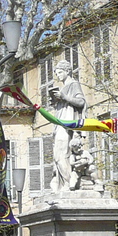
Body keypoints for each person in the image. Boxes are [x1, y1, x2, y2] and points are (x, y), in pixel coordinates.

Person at [48, 59, 87, 192]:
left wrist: (64, 97)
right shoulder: (64, 87)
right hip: (60, 122)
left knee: (61, 154)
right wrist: (56, 101)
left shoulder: (74, 84)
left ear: (67, 71)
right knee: (57, 155)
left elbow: (81, 102)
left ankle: (68, 184)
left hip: (68, 124)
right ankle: (63, 183)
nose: (58, 75)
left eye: (60, 72)